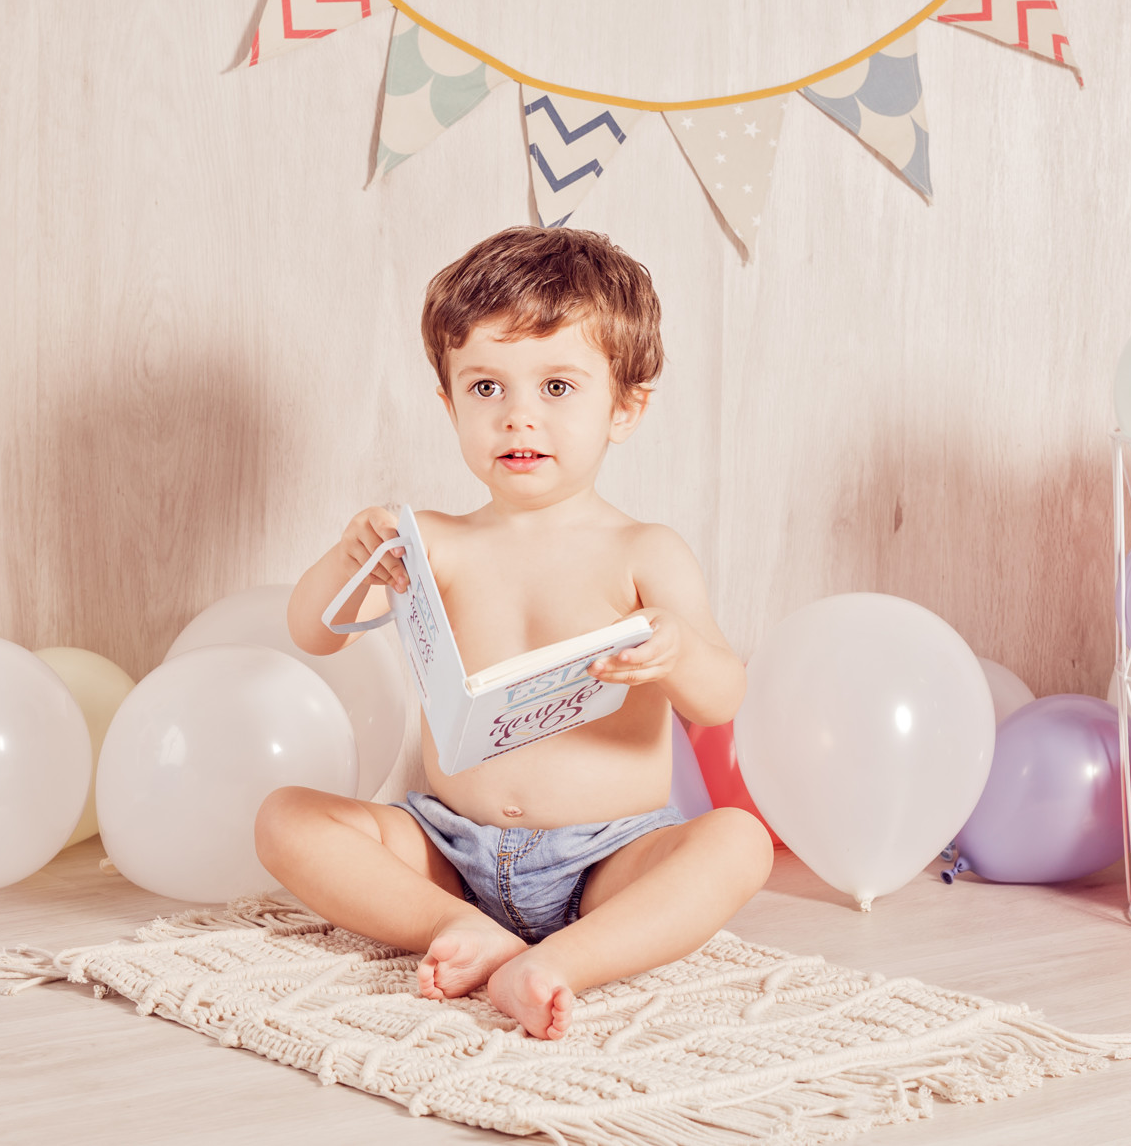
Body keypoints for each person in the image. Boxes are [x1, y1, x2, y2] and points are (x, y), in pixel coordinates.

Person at [260, 226, 771, 1041]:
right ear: (450, 402)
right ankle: (455, 926)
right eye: (487, 387)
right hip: (450, 848)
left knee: (739, 842)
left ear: (626, 407)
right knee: (286, 817)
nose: (517, 416)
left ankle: (563, 959)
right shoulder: (434, 541)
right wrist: (348, 557)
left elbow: (723, 697)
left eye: (558, 388)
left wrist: (675, 649)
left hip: (607, 857)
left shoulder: (643, 551)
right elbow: (313, 632)